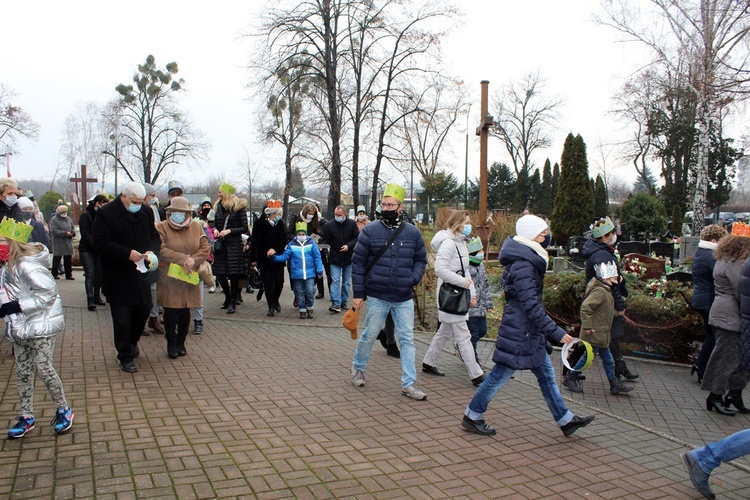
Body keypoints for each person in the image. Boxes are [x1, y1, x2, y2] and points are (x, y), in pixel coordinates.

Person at [461, 214, 595, 437]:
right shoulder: (525, 263)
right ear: (533, 236)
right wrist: (556, 333)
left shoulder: (528, 257)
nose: (547, 237)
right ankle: (472, 415)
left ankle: (565, 419)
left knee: (546, 376)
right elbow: (531, 305)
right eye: (543, 234)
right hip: (521, 331)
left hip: (527, 331)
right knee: (500, 375)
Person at [350, 183, 428, 400]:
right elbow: (357, 263)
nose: (386, 207)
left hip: (403, 296)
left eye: (391, 204)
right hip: (377, 294)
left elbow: (421, 260)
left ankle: (409, 383)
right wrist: (358, 294)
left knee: (407, 339)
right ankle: (358, 366)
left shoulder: (412, 233)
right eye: (384, 204)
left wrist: (412, 279)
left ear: (400, 206)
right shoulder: (370, 230)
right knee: (370, 334)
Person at [0, 231, 73, 439]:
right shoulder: (6, 268)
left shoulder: (27, 266)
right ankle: (26, 415)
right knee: (23, 371)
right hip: (20, 327)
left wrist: (17, 306)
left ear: (12, 242)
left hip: (42, 326)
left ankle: (63, 409)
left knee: (43, 367)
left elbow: (48, 295)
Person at [93, 182, 161, 374]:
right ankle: (125, 356)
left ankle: (132, 342)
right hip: (117, 273)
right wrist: (126, 253)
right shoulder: (106, 214)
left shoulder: (145, 212)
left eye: (141, 202)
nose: (138, 205)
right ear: (124, 196)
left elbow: (154, 236)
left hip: (141, 272)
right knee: (122, 317)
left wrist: (151, 250)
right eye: (135, 202)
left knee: (144, 308)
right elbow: (100, 243)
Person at [422, 210, 485, 386]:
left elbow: (465, 272)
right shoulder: (449, 244)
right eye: (467, 222)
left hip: (457, 294)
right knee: (463, 335)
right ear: (457, 223)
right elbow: (440, 269)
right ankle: (476, 374)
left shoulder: (461, 243)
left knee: (444, 332)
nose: (469, 225)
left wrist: (471, 292)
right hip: (450, 295)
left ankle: (429, 362)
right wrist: (464, 284)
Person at [580, 216, 638, 381]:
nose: (615, 236)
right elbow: (612, 284)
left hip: (605, 302)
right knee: (598, 342)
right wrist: (620, 305)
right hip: (605, 303)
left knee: (609, 338)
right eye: (612, 233)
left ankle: (619, 369)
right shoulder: (603, 256)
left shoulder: (600, 252)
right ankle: (572, 372)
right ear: (605, 237)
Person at [563, 261, 634, 395]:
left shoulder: (604, 290)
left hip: (600, 332)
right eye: (614, 278)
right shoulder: (601, 291)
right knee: (589, 357)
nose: (616, 281)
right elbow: (586, 308)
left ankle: (614, 383)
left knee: (606, 358)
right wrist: (588, 327)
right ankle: (571, 377)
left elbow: (603, 310)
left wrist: (616, 313)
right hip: (595, 332)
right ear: (606, 278)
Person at [701, 231, 750, 415]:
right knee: (726, 358)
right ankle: (715, 395)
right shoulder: (735, 262)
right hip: (729, 315)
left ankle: (734, 394)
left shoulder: (725, 258)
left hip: (725, 312)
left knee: (738, 358)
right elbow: (742, 290)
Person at [155, 196, 210, 358]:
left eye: (181, 212)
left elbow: (205, 246)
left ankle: (181, 342)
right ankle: (171, 342)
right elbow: (161, 249)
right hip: (170, 277)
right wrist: (182, 259)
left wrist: (193, 260)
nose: (177, 215)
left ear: (188, 213)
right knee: (171, 311)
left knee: (186, 310)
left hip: (190, 275)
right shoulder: (162, 227)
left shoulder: (196, 227)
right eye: (174, 212)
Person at [691, 224, 728, 383]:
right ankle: (701, 365)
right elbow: (720, 276)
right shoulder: (711, 255)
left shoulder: (702, 252)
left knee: (710, 334)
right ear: (714, 240)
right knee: (713, 336)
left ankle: (700, 365)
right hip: (709, 300)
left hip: (701, 298)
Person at [268, 221, 324, 319]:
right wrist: (274, 257)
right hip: (297, 274)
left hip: (309, 273)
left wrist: (319, 270)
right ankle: (302, 310)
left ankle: (310, 308)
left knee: (310, 291)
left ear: (306, 234)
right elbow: (285, 256)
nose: (301, 236)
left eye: (303, 234)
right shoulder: (292, 244)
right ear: (296, 234)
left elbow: (317, 258)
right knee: (299, 293)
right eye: (299, 234)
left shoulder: (311, 244)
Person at [211, 182, 248, 314]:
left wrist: (229, 231)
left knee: (233, 274)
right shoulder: (219, 207)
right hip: (221, 245)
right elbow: (215, 223)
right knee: (220, 273)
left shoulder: (238, 208)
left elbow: (245, 228)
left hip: (234, 245)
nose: (218, 194)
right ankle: (227, 298)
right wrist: (215, 230)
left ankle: (233, 301)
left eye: (220, 192)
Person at [250, 201, 287, 316]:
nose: (279, 217)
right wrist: (253, 258)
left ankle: (276, 299)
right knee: (268, 283)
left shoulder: (280, 224)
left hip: (278, 258)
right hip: (264, 258)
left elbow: (283, 240)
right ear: (272, 214)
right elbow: (255, 241)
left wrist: (275, 249)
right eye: (277, 215)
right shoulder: (259, 224)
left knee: (279, 281)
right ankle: (270, 305)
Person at [321, 205, 358, 313]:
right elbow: (325, 239)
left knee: (346, 282)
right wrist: (323, 246)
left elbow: (356, 238)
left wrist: (349, 245)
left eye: (339, 215)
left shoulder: (352, 224)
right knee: (335, 280)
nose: (337, 217)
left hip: (348, 257)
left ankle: (344, 301)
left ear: (345, 214)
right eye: (336, 215)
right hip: (334, 257)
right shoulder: (329, 225)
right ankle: (335, 303)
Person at [288, 203, 326, 299]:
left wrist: (318, 240)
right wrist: (299, 239)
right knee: (297, 274)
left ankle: (306, 293)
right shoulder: (296, 219)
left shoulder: (315, 221)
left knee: (310, 275)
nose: (311, 215)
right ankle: (298, 294)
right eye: (309, 213)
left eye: (313, 214)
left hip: (310, 251)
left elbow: (320, 233)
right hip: (297, 250)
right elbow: (288, 233)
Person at [463, 236, 492, 363]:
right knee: (473, 334)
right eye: (479, 251)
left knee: (482, 330)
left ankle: (464, 346)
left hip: (481, 307)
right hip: (471, 308)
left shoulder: (481, 266)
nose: (482, 253)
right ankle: (472, 359)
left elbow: (485, 285)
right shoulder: (466, 268)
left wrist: (488, 303)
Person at [141, 183, 165, 335]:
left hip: (153, 253)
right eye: (152, 195)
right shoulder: (138, 210)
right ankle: (140, 321)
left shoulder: (153, 209)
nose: (154, 198)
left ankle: (153, 318)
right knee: (142, 289)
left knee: (154, 288)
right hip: (138, 253)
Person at [78, 194, 108, 311]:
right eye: (103, 205)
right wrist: (95, 245)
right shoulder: (85, 216)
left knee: (99, 274)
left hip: (98, 249)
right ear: (97, 203)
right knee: (90, 274)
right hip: (87, 249)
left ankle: (96, 296)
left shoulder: (101, 215)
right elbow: (85, 233)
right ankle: (90, 298)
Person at [49, 204, 75, 280]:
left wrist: (72, 232)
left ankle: (68, 274)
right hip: (58, 242)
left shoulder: (68, 219)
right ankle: (54, 273)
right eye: (63, 212)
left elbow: (72, 227)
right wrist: (64, 233)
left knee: (68, 259)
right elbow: (53, 230)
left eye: (65, 212)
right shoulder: (54, 219)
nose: (64, 213)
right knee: (57, 258)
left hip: (67, 242)